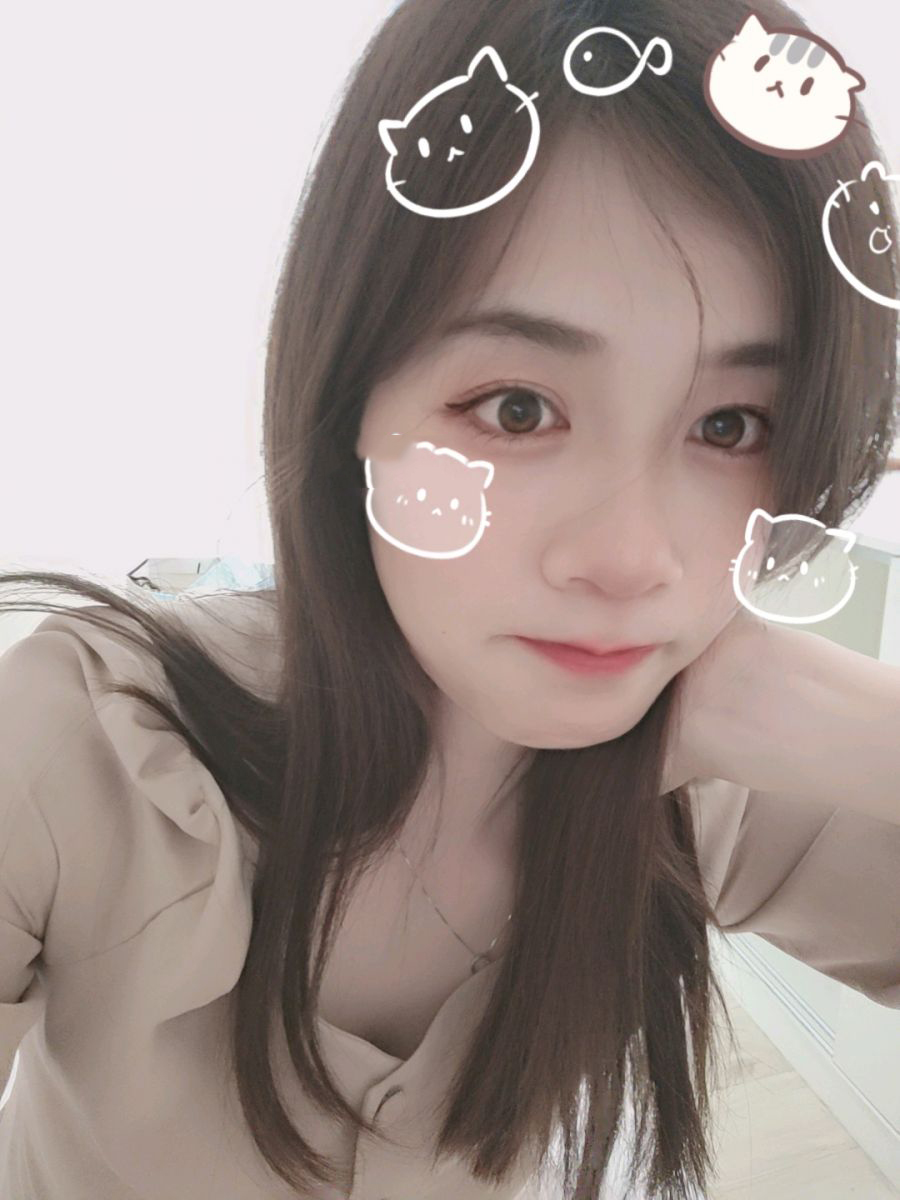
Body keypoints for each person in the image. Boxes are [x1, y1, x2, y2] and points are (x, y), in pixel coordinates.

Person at [1, 0, 898, 1197]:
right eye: (518, 409)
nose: (631, 559)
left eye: (732, 426)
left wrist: (865, 731)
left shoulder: (715, 781)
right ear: (351, 402)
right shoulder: (84, 745)